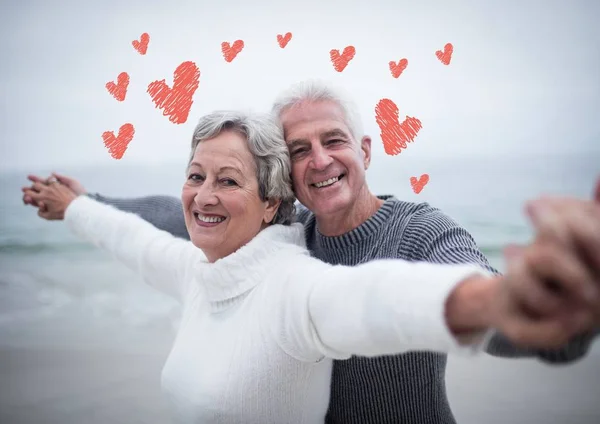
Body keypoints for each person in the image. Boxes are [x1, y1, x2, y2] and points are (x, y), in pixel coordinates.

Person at [23, 82, 600, 424]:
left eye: (334, 141)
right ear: (283, 180)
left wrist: (535, 304)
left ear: (366, 150)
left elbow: (412, 298)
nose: (320, 160)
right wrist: (82, 200)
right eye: (300, 149)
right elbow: (172, 216)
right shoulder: (291, 229)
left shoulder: (421, 231)